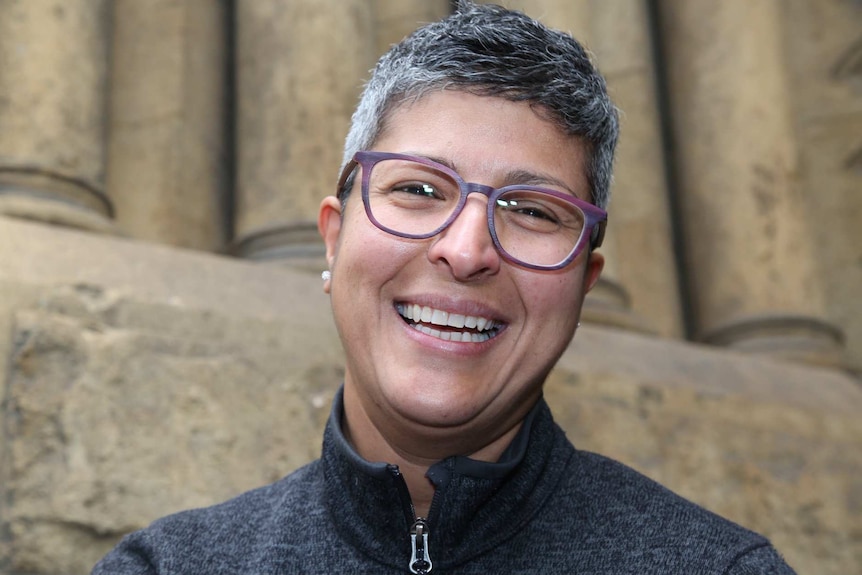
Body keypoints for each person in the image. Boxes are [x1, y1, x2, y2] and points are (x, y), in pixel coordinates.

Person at [93, 2, 796, 573]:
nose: (466, 250)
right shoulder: (171, 564)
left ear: (584, 284)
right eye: (420, 188)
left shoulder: (716, 566)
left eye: (532, 211)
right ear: (334, 238)